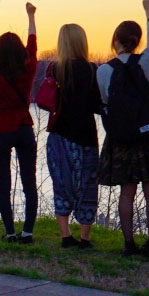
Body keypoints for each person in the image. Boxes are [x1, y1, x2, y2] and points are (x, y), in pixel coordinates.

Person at [97, 1, 149, 258]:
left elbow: (105, 102)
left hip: (122, 137)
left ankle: (128, 244)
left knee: (127, 191)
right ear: (138, 40)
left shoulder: (104, 70)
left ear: (115, 39)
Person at [0, 2, 38, 244]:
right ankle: (28, 231)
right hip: (25, 129)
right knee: (29, 182)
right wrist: (31, 16)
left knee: (2, 184)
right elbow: (33, 46)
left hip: (0, 132)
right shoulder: (28, 71)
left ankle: (10, 231)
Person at [46, 23, 104, 249]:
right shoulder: (92, 70)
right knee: (88, 186)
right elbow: (98, 105)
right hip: (86, 136)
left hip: (59, 135)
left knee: (62, 184)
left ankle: (65, 235)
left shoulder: (54, 69)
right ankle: (85, 238)